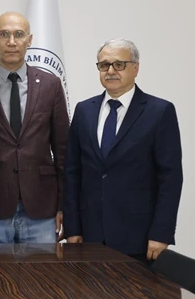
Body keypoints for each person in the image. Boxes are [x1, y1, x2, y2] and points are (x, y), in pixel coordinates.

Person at [64, 38, 182, 261]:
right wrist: (72, 228)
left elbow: (170, 178)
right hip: (90, 235)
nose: (110, 71)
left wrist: (161, 233)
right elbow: (72, 173)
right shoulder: (84, 111)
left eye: (119, 64)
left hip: (139, 238)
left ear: (135, 68)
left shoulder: (159, 112)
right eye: (104, 65)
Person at [0, 12, 68, 244]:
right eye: (4, 34)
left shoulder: (51, 85)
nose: (11, 42)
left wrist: (63, 205)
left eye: (19, 34)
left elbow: (63, 152)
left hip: (42, 209)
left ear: (29, 40)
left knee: (42, 270)